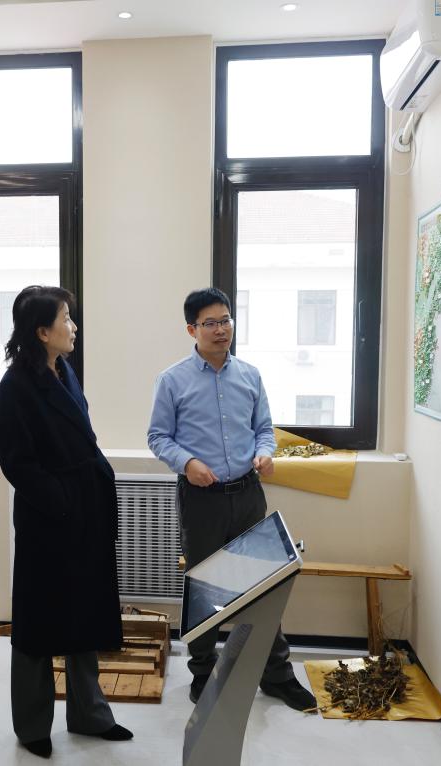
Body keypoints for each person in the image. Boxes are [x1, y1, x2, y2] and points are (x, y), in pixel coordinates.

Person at [148, 287, 316, 711]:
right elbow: (158, 437)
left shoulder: (250, 376)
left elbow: (264, 429)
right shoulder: (172, 380)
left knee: (262, 585)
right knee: (204, 587)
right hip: (200, 499)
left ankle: (276, 675)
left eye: (226, 320)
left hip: (247, 494)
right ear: (192, 329)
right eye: (211, 323)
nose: (221, 329)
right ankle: (204, 673)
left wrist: (265, 452)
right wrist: (187, 463)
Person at [0, 286, 133, 759]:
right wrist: (61, 502)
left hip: (85, 508)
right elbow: (17, 463)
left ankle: (89, 714)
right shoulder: (14, 387)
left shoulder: (63, 370)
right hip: (48, 520)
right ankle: (32, 725)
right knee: (37, 623)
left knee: (85, 611)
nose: (73, 327)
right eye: (66, 318)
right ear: (42, 331)